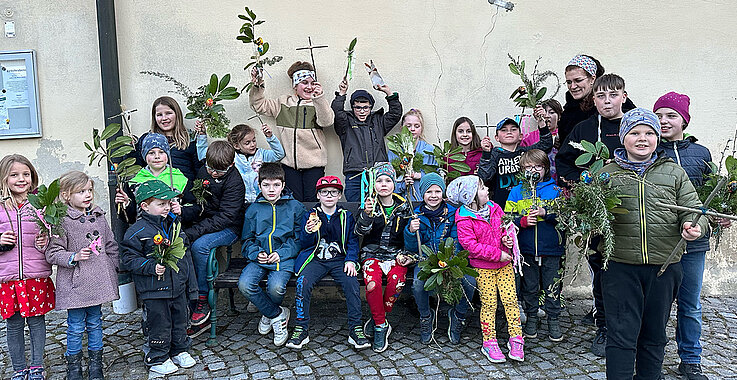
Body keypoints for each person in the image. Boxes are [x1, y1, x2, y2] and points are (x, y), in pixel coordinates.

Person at [600, 108, 708, 379]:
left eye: (649, 133)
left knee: (655, 333)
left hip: (664, 267)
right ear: (623, 137)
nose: (642, 138)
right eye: (634, 132)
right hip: (620, 266)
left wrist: (694, 225)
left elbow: (693, 209)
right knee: (622, 333)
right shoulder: (606, 175)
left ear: (658, 138)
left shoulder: (674, 173)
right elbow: (590, 215)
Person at [655, 92, 729, 380]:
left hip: (695, 242)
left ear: (685, 120)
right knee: (658, 304)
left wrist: (718, 214)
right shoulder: (650, 151)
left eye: (671, 115)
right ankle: (653, 359)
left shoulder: (701, 154)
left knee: (690, 304)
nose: (664, 121)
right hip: (660, 240)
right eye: (659, 115)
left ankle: (691, 359)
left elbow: (712, 196)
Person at [554, 73, 630, 356]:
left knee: (630, 272)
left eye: (613, 95)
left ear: (623, 96)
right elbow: (563, 163)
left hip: (632, 214)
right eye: (601, 96)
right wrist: (582, 182)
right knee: (602, 269)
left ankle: (632, 327)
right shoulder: (584, 130)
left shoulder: (638, 127)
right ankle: (605, 327)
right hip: (595, 214)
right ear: (593, 99)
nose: (607, 101)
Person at [46, 171, 119, 380]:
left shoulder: (98, 216)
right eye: (81, 192)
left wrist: (112, 269)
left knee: (96, 322)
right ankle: (74, 367)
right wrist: (74, 256)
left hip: (98, 281)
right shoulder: (62, 221)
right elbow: (53, 252)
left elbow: (111, 245)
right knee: (76, 326)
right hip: (75, 284)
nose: (87, 195)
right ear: (67, 195)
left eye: (89, 190)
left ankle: (96, 365)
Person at [120, 180, 197, 376]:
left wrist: (189, 282)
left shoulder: (173, 225)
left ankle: (179, 349)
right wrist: (151, 267)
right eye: (161, 204)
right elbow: (129, 259)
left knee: (180, 319)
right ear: (145, 206)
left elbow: (185, 254)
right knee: (158, 322)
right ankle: (157, 356)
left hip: (177, 286)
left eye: (168, 203)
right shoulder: (136, 232)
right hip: (154, 289)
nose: (166, 207)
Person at [286, 176, 370, 350]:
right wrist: (308, 231)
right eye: (324, 192)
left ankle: (355, 328)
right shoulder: (310, 215)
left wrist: (351, 260)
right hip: (315, 258)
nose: (329, 196)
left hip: (340, 259)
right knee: (303, 282)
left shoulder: (346, 216)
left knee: (351, 282)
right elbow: (304, 243)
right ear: (318, 196)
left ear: (340, 195)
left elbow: (353, 241)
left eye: (333, 192)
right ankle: (301, 327)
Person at [448, 175, 522, 363]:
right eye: (482, 188)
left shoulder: (494, 208)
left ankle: (516, 338)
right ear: (470, 196)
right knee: (489, 304)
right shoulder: (464, 219)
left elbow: (505, 227)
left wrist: (506, 239)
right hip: (484, 268)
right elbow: (470, 246)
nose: (487, 189)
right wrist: (497, 254)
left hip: (504, 264)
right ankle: (489, 341)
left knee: (511, 301)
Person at [237, 163, 306, 347]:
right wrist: (256, 253)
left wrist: (281, 253)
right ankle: (276, 314)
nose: (271, 190)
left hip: (284, 259)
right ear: (259, 186)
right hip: (259, 259)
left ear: (283, 185)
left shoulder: (295, 207)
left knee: (276, 287)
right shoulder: (253, 209)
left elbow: (300, 240)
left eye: (276, 185)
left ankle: (268, 313)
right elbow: (246, 240)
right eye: (266, 185)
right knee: (244, 284)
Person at [404, 173, 476, 345]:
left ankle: (458, 316)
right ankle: (426, 316)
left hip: (450, 259)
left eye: (437, 191)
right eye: (429, 192)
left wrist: (449, 260)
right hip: (426, 260)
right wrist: (411, 232)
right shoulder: (416, 215)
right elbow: (412, 248)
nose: (433, 195)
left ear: (443, 193)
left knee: (470, 281)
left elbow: (456, 240)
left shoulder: (452, 213)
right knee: (418, 284)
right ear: (422, 194)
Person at [248, 61, 335, 202]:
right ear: (295, 85)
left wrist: (319, 98)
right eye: (304, 83)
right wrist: (257, 85)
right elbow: (258, 105)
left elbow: (327, 121)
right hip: (289, 166)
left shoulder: (317, 104)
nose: (309, 87)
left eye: (312, 83)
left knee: (312, 203)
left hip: (314, 166)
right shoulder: (282, 103)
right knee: (293, 203)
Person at [181, 141, 245, 330]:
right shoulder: (203, 171)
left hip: (229, 227)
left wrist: (194, 231)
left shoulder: (235, 183)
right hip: (206, 221)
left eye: (220, 171)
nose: (213, 173)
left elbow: (226, 217)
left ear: (231, 166)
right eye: (211, 168)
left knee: (200, 246)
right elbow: (198, 200)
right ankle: (185, 296)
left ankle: (202, 299)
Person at [0, 155, 54, 380]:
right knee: (13, 325)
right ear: (4, 179)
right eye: (14, 175)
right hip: (8, 277)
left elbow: (56, 235)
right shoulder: (1, 207)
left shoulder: (41, 205)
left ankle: (37, 367)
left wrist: (46, 241)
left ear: (32, 177)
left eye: (26, 174)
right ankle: (19, 369)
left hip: (35, 275)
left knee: (36, 322)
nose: (21, 179)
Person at [504, 150, 565, 343]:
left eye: (538, 166)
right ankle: (531, 317)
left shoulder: (555, 190)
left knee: (552, 286)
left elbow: (564, 217)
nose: (533, 170)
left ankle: (553, 319)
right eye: (528, 167)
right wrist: (521, 221)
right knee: (529, 287)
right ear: (522, 170)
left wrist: (545, 212)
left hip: (551, 249)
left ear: (546, 169)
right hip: (526, 250)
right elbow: (507, 220)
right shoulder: (516, 191)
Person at [355, 162, 413, 352]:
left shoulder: (404, 207)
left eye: (388, 180)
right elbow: (360, 230)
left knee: (397, 282)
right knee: (373, 284)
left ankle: (378, 317)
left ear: (394, 184)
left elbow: (408, 238)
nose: (384, 184)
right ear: (374, 185)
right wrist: (366, 214)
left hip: (396, 254)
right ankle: (381, 326)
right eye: (379, 181)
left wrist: (408, 250)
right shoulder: (369, 205)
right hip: (372, 253)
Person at [332, 78, 403, 201]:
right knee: (356, 209)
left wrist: (389, 93)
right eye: (358, 108)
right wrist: (341, 94)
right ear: (353, 108)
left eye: (366, 107)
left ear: (371, 108)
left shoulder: (378, 122)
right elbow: (336, 112)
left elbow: (395, 114)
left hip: (378, 175)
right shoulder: (345, 123)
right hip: (354, 175)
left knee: (379, 210)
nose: (362, 111)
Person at [557, 55, 635, 144]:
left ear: (592, 79)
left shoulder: (618, 104)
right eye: (569, 82)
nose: (573, 86)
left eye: (578, 80)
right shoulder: (569, 110)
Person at [477, 117, 552, 207]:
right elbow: (484, 177)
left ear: (520, 136)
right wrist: (486, 153)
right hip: (501, 205)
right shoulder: (494, 155)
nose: (509, 132)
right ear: (496, 138)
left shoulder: (526, 153)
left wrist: (542, 123)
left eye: (513, 129)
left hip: (525, 203)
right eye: (504, 130)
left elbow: (546, 145)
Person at [116, 133, 189, 221]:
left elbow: (194, 208)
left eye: (161, 152)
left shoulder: (180, 178)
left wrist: (182, 210)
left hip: (173, 231)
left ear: (167, 155)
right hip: (145, 232)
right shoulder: (134, 181)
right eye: (151, 153)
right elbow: (128, 218)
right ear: (144, 156)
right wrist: (126, 204)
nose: (157, 157)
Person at [389, 109, 439, 202]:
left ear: (421, 128)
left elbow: (437, 178)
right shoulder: (394, 151)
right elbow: (389, 182)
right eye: (408, 126)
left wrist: (420, 175)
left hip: (426, 203)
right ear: (401, 128)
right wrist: (403, 184)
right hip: (401, 203)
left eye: (417, 126)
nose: (412, 129)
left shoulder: (430, 151)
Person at [227, 123, 285, 203]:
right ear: (237, 146)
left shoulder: (261, 154)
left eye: (254, 140)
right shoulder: (232, 157)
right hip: (240, 201)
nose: (252, 144)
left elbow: (279, 154)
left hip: (260, 200)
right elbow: (206, 155)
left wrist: (270, 137)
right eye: (247, 143)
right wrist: (202, 137)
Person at [521, 99, 563, 181]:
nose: (547, 116)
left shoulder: (565, 134)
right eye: (544, 112)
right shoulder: (530, 137)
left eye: (551, 112)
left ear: (559, 117)